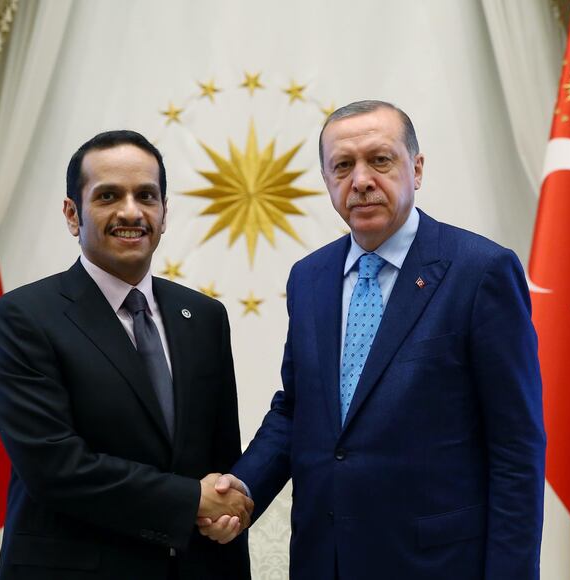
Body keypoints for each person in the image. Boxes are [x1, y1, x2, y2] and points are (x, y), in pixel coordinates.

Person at [199, 101, 546, 579]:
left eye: (380, 160)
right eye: (342, 166)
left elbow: (516, 449)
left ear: (416, 168)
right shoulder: (309, 278)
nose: (360, 180)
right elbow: (297, 408)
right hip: (326, 561)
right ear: (326, 180)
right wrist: (242, 486)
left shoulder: (481, 272)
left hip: (436, 564)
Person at [0, 130, 252, 579]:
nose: (131, 211)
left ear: (165, 214)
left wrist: (229, 512)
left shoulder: (204, 317)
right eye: (108, 195)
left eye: (146, 195)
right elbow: (56, 467)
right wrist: (190, 501)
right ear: (73, 214)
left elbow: (219, 459)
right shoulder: (23, 318)